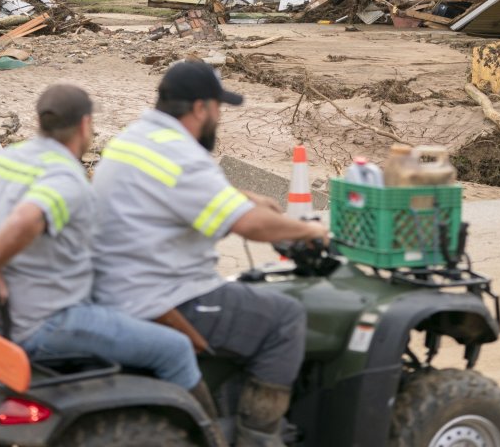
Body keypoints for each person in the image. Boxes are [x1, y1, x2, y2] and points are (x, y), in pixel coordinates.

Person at [91, 60, 329, 447]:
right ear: (201, 108)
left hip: (116, 286)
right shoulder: (183, 156)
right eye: (219, 109)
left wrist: (247, 198)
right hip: (162, 295)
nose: (219, 119)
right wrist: (311, 229)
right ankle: (259, 438)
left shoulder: (136, 138)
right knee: (285, 318)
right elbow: (249, 226)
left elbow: (181, 192)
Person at [0, 83, 212, 412]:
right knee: (176, 349)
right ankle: (212, 434)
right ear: (85, 125)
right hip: (47, 323)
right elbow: (25, 220)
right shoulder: (66, 180)